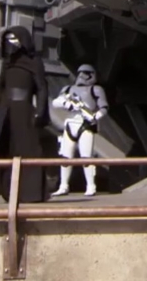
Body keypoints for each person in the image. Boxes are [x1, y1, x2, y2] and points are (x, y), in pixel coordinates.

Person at [0, 25, 49, 203]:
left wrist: (40, 112)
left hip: (24, 110)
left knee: (28, 151)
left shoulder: (34, 62)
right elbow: (0, 89)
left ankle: (31, 193)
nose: (10, 44)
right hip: (5, 109)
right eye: (8, 40)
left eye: (14, 40)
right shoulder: (7, 63)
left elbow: (42, 88)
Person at [50, 64, 109, 197]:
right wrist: (67, 104)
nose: (82, 76)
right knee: (65, 157)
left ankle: (90, 185)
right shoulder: (68, 89)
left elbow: (104, 107)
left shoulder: (96, 89)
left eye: (86, 73)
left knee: (86, 157)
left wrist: (96, 116)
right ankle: (63, 185)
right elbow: (55, 102)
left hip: (86, 125)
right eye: (80, 73)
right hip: (70, 123)